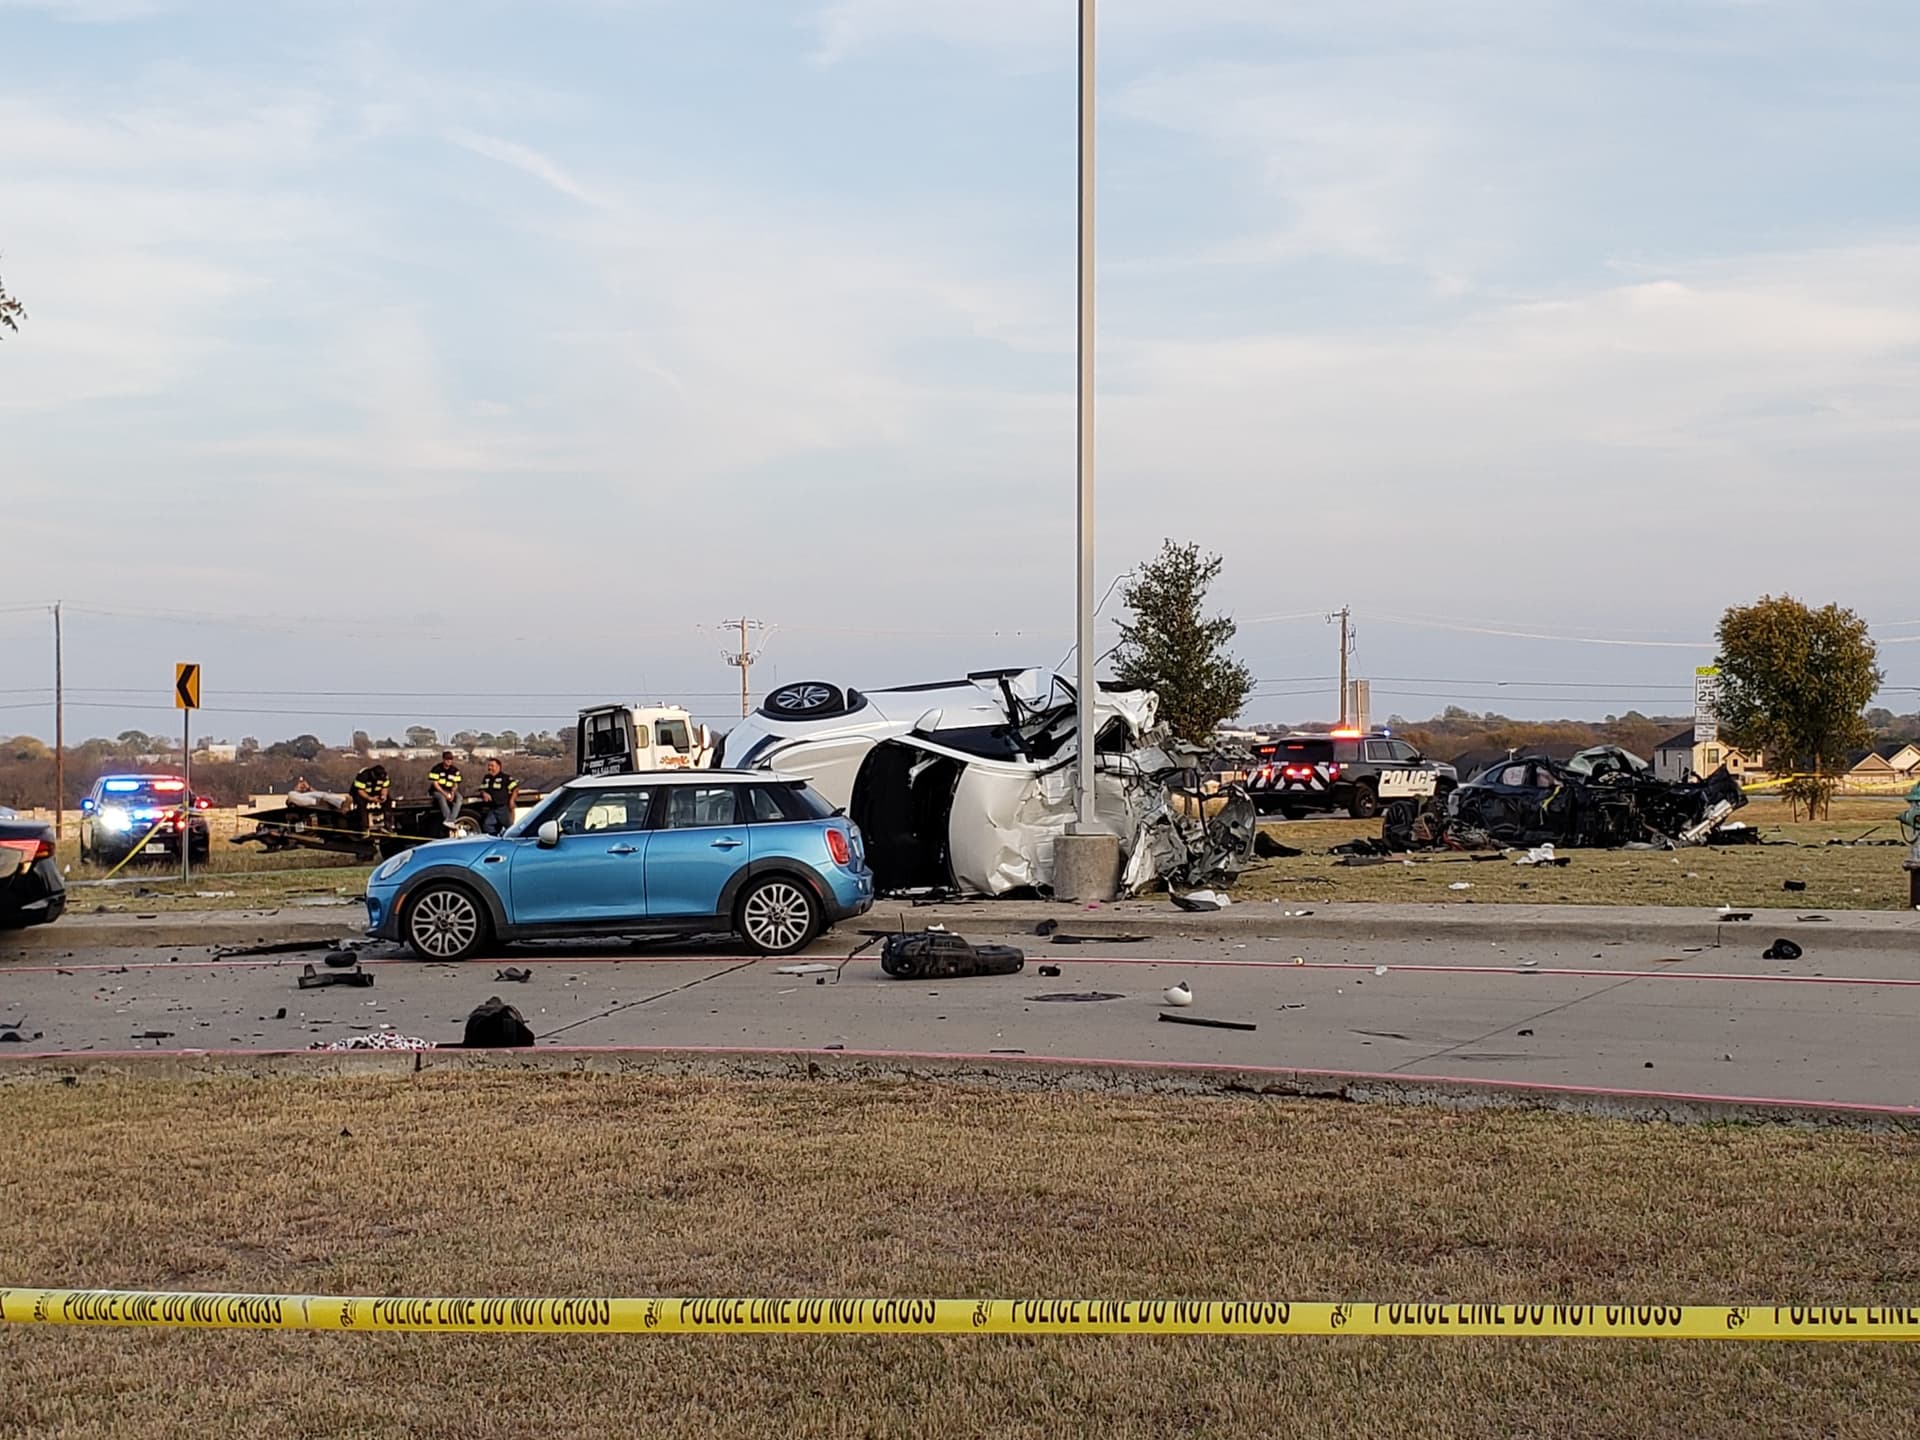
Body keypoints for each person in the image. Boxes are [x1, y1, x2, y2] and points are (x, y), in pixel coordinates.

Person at [479, 758, 519, 835]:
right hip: (493, 808)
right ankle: (496, 839)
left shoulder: (505, 778)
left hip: (503, 808)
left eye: (492, 766)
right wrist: (484, 793)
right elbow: (481, 789)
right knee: (487, 825)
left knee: (510, 828)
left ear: (498, 767)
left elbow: (515, 789)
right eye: (489, 766)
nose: (489, 768)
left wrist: (512, 801)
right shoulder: (487, 778)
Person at [350, 763, 391, 836]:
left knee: (388, 802)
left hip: (376, 792)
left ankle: (388, 826)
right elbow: (360, 791)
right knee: (361, 805)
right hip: (362, 793)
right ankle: (364, 828)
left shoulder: (385, 776)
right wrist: (370, 798)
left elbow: (385, 787)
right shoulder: (363, 775)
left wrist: (383, 796)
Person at [427, 751, 464, 831]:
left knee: (459, 798)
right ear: (443, 759)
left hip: (450, 790)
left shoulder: (455, 770)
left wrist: (453, 793)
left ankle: (451, 820)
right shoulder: (436, 769)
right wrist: (444, 794)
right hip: (437, 791)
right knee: (441, 798)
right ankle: (447, 818)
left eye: (450, 759)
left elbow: (455, 784)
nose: (449, 761)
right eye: (447, 759)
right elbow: (435, 784)